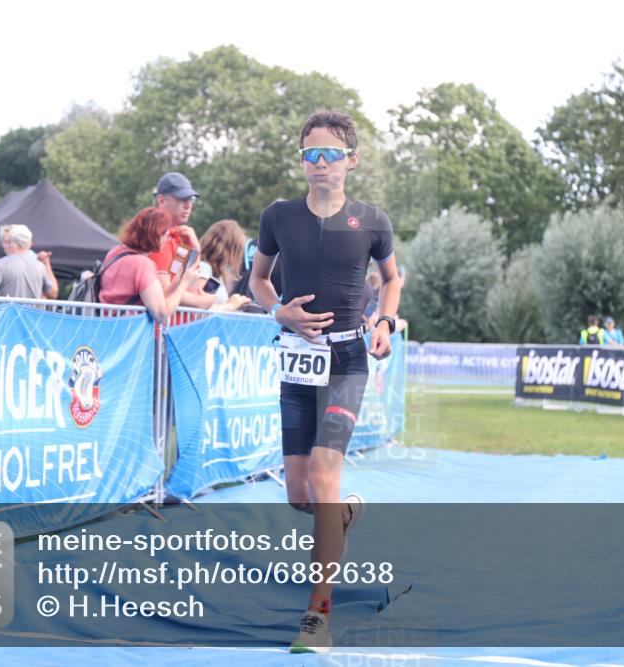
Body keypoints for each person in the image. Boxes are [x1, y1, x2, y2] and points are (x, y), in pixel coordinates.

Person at [249, 110, 402, 653]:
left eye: (331, 154)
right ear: (301, 161)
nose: (320, 163)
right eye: (310, 154)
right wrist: (279, 312)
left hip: (347, 362)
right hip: (297, 364)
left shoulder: (372, 221)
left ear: (351, 161)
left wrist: (384, 322)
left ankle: (318, 616)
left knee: (323, 474)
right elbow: (258, 279)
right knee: (301, 495)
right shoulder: (278, 217)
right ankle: (343, 515)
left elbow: (391, 279)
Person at [97, 207, 199, 323]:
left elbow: (153, 298)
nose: (167, 237)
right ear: (155, 236)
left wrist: (175, 283)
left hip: (106, 326)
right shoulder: (143, 265)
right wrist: (184, 283)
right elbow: (162, 314)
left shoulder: (115, 252)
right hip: (129, 330)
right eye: (165, 233)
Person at [146, 171, 214, 309]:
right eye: (182, 199)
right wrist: (202, 302)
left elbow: (187, 277)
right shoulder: (157, 237)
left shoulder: (175, 235)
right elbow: (164, 292)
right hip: (165, 321)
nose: (188, 205)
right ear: (161, 200)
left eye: (191, 200)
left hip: (175, 319)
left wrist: (196, 249)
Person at [197, 219, 252, 311]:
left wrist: (235, 303)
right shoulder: (205, 269)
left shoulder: (215, 274)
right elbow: (199, 307)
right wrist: (231, 305)